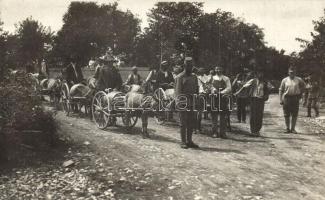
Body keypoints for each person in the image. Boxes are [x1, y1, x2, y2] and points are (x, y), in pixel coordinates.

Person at [175, 57, 199, 149]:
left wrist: (196, 100)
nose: (190, 67)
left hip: (192, 101)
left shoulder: (194, 77)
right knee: (183, 123)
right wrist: (179, 103)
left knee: (191, 122)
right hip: (183, 101)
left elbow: (196, 89)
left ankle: (189, 141)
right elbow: (177, 92)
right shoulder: (180, 77)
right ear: (184, 66)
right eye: (188, 65)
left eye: (191, 65)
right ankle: (183, 142)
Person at [235, 69, 269, 136]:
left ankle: (257, 130)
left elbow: (268, 89)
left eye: (261, 73)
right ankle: (253, 130)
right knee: (253, 115)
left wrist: (266, 96)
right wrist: (238, 92)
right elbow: (244, 87)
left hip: (260, 100)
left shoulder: (265, 82)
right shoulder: (253, 80)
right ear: (256, 74)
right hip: (253, 99)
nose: (260, 75)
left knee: (259, 115)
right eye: (259, 73)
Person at [279, 67, 306, 134]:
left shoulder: (299, 79)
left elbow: (304, 87)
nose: (292, 73)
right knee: (286, 114)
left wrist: (300, 94)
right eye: (290, 72)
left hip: (295, 98)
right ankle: (287, 128)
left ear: (295, 73)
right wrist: (280, 99)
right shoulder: (284, 80)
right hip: (287, 98)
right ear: (288, 72)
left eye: (293, 72)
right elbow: (281, 90)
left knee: (294, 114)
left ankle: (293, 128)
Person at [210, 66, 232, 138]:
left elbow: (229, 87)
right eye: (217, 69)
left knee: (223, 116)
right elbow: (209, 86)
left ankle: (223, 133)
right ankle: (214, 132)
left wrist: (222, 92)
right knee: (214, 116)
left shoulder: (226, 78)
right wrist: (213, 90)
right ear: (215, 70)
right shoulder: (212, 78)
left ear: (222, 70)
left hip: (223, 98)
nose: (218, 70)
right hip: (214, 98)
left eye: (219, 69)